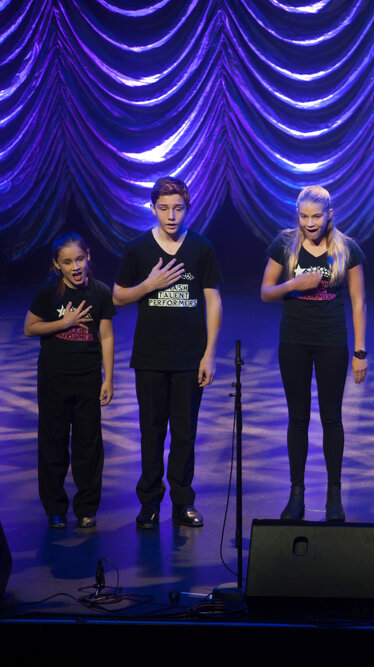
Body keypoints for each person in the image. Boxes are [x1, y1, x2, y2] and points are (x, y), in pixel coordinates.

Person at [113, 176, 222, 529]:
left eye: (177, 209)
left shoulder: (201, 247)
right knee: (152, 431)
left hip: (189, 357)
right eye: (164, 209)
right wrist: (150, 285)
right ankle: (149, 503)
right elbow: (117, 297)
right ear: (153, 208)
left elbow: (212, 299)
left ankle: (182, 502)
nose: (171, 216)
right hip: (150, 357)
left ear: (187, 208)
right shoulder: (138, 249)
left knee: (185, 433)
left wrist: (209, 354)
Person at [261, 186, 367, 522]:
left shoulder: (346, 248)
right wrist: (294, 284)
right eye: (304, 216)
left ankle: (333, 495)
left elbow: (359, 302)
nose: (310, 222)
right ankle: (297, 494)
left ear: (329, 214)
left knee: (332, 418)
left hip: (332, 341)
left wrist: (360, 352)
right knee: (298, 418)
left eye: (316, 216)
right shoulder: (284, 245)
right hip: (293, 341)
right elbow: (265, 292)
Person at [25, 234, 115, 529]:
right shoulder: (50, 292)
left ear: (88, 256)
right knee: (54, 443)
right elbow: (30, 327)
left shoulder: (100, 292)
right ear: (57, 265)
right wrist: (65, 323)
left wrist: (109, 379)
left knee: (88, 446)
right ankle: (54, 507)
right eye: (67, 262)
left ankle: (87, 508)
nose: (75, 266)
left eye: (79, 259)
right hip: (53, 378)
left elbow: (106, 336)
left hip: (88, 377)